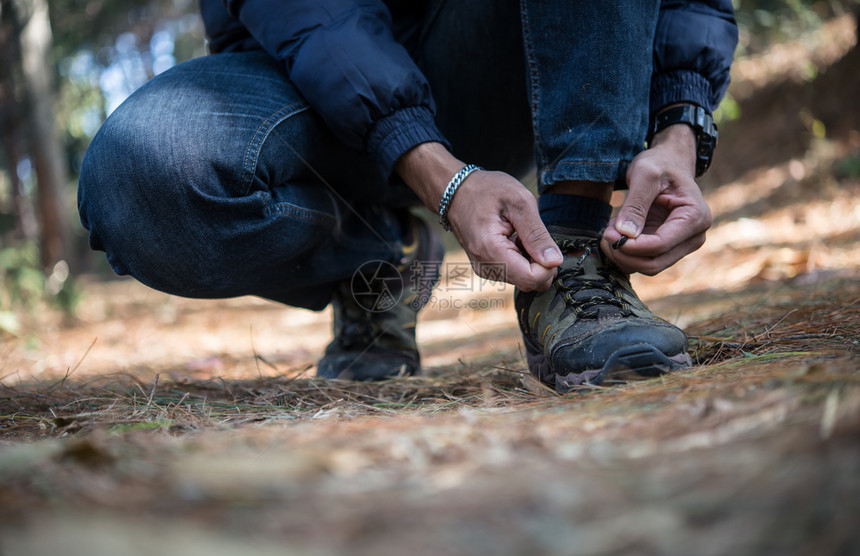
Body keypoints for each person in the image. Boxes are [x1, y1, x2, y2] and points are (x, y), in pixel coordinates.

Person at [78, 1, 738, 393]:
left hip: (512, 58)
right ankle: (378, 260)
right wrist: (437, 171)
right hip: (310, 81)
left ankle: (573, 249)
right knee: (135, 174)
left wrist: (680, 122)